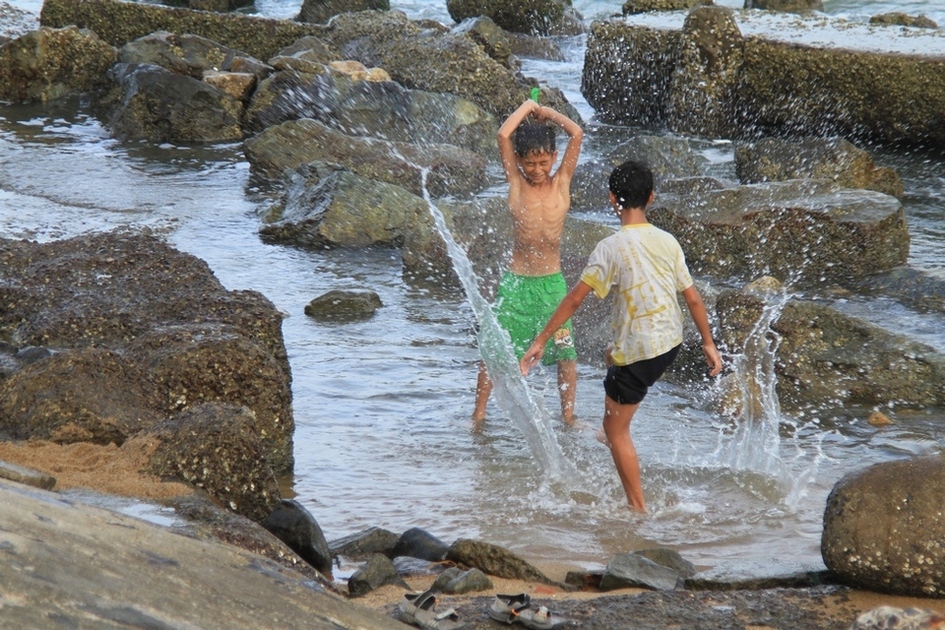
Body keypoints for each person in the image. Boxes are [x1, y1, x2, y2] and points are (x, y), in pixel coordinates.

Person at [519, 160, 723, 513]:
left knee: (618, 431)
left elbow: (575, 299)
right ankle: (609, 426)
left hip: (643, 351)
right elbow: (691, 297)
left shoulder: (610, 247)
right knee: (611, 353)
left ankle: (637, 508)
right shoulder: (668, 241)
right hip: (671, 342)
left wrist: (540, 340)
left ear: (612, 199)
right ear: (651, 197)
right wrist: (708, 343)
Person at [472, 97, 584, 427]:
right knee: (494, 347)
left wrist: (547, 114)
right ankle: (478, 413)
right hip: (517, 282)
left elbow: (576, 134)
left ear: (553, 157)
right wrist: (524, 107)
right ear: (519, 162)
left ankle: (568, 416)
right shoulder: (517, 184)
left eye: (544, 162)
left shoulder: (561, 182)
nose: (537, 170)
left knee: (566, 351)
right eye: (530, 164)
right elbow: (504, 135)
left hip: (552, 286)